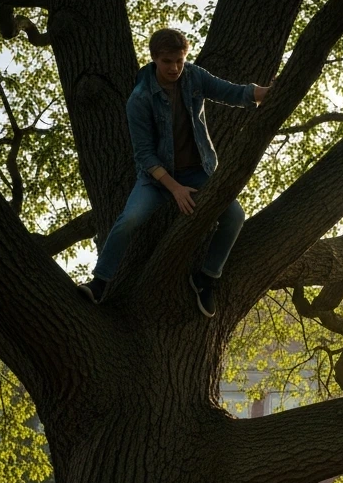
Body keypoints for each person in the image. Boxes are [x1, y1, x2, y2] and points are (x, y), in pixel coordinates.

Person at [78, 28, 270, 317]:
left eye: (180, 60)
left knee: (235, 216)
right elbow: (144, 155)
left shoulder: (193, 76)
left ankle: (206, 279)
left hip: (198, 171)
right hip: (155, 179)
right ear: (154, 59)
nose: (175, 68)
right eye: (168, 61)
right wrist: (174, 188)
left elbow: (231, 92)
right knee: (128, 220)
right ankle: (100, 283)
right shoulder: (140, 99)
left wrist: (266, 93)